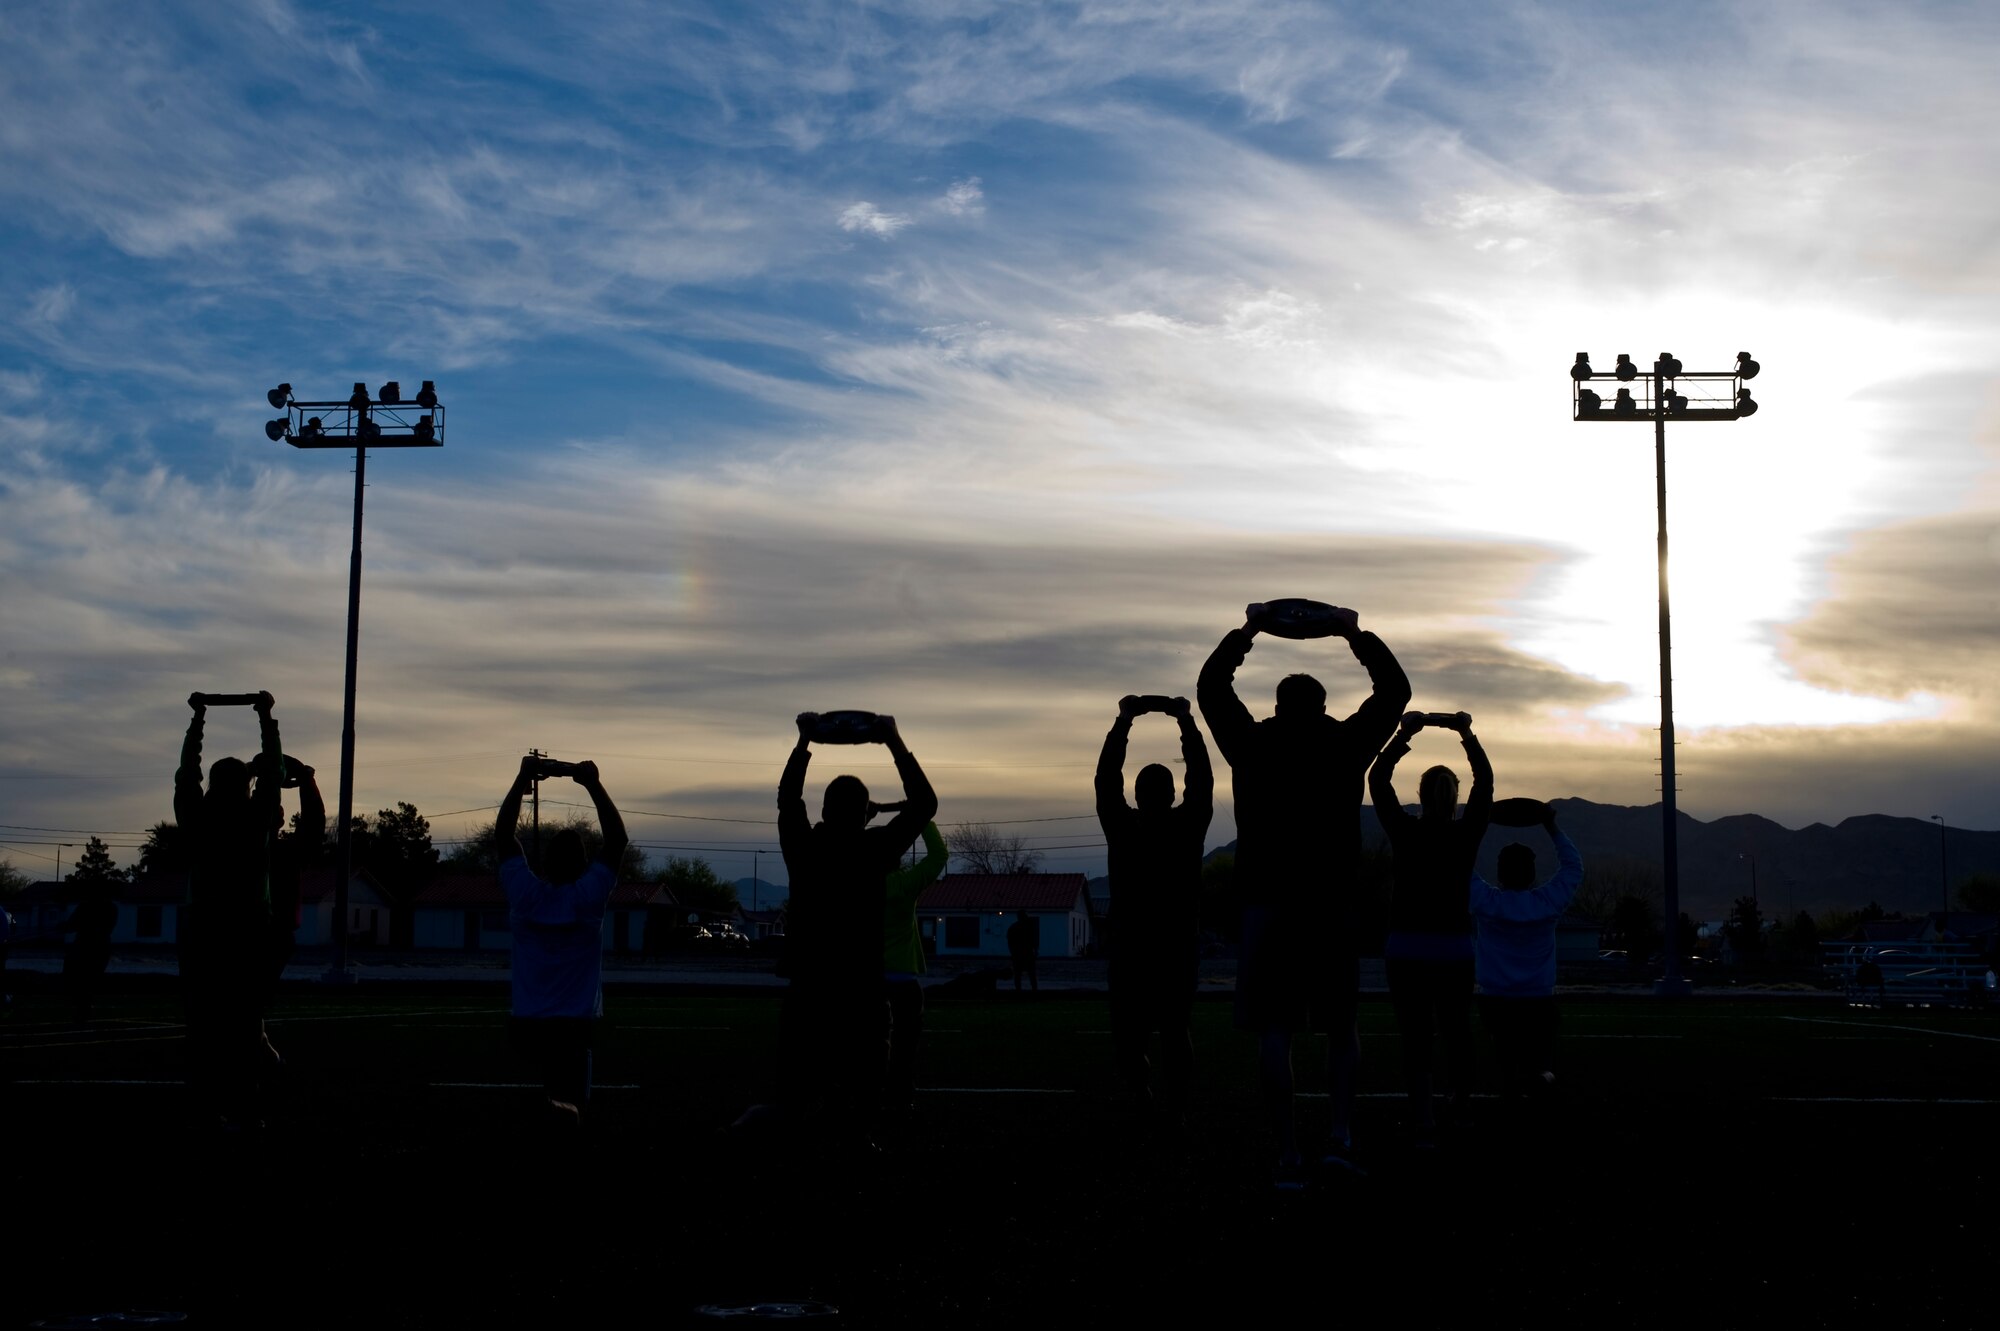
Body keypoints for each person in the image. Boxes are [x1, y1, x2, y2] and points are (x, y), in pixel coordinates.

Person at [1198, 604, 1410, 1188]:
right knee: (1341, 1026)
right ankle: (1340, 1138)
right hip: (1330, 905)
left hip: (1267, 904)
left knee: (1275, 1031)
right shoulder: (1345, 745)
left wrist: (1248, 630)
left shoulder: (1251, 744)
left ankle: (1288, 1153)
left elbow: (1211, 686)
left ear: (1275, 706)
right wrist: (1352, 632)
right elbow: (1395, 689)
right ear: (1322, 706)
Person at [777, 713, 937, 1143]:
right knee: (865, 1097)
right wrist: (894, 742)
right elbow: (924, 805)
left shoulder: (803, 847)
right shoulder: (875, 850)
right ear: (865, 813)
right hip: (863, 991)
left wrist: (804, 741)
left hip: (809, 989)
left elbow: (788, 799)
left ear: (825, 810)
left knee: (798, 1096)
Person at [1370, 711, 1492, 1146]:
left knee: (1416, 1034)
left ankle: (1423, 1117)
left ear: (1419, 795)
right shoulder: (1466, 834)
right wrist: (1466, 734)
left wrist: (1404, 734)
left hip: (1406, 946)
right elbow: (1486, 784)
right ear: (1455, 798)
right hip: (1453, 947)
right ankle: (1459, 1109)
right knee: (1457, 1031)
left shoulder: (1404, 830)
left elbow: (1378, 781)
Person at [1095, 694, 1213, 1116]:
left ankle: (1142, 1088)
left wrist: (1124, 720)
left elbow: (1106, 778)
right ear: (1172, 792)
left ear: (1138, 794)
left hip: (1131, 946)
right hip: (1177, 943)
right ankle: (1174, 1099)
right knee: (1175, 1028)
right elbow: (1202, 777)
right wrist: (1185, 721)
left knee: (1130, 1031)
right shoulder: (1189, 825)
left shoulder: (1123, 827)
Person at [496, 756, 628, 1127]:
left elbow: (504, 836)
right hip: (572, 1025)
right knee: (574, 1109)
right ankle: (554, 1110)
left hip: (526, 1024)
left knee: (553, 1096)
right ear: (583, 863)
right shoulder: (588, 899)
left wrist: (522, 776)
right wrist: (592, 784)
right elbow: (617, 840)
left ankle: (546, 1108)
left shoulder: (525, 896)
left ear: (545, 861)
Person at [175, 690, 286, 1130]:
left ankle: (204, 1106)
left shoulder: (194, 814)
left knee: (203, 1020)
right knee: (244, 1020)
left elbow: (186, 772)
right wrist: (267, 716)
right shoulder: (256, 815)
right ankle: (245, 1104)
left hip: (201, 923)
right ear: (247, 785)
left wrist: (197, 719)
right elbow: (274, 770)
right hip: (247, 924)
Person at [1467, 808, 1583, 1104]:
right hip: (1537, 997)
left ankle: (1513, 1090)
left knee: (1505, 1054)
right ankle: (1539, 1077)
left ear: (1500, 873)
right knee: (1540, 1058)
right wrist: (1552, 828)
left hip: (1495, 997)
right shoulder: (1546, 903)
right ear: (1532, 875)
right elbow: (1573, 868)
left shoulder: (1486, 902)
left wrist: (1479, 827)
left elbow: (1458, 866)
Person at [254, 752, 325, 1069]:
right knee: (246, 1002)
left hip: (268, 934)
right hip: (249, 932)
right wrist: (306, 781)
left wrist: (307, 782)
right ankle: (254, 1047)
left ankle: (254, 1045)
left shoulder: (283, 853)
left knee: (248, 1001)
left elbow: (313, 824)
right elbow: (313, 823)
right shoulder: (243, 847)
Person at [883, 816, 948, 1111]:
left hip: (865, 979)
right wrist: (923, 819)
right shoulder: (904, 885)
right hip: (903, 981)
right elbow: (938, 855)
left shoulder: (853, 884)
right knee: (904, 1045)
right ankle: (900, 1094)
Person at [61, 876, 119, 1023]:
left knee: (85, 979)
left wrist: (73, 927)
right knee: (79, 978)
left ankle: (83, 1010)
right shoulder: (90, 906)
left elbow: (104, 929)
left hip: (94, 948)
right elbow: (71, 925)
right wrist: (66, 926)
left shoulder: (106, 908)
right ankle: (82, 1009)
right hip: (88, 947)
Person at [1006, 911, 1040, 993]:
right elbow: (1033, 940)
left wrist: (1012, 953)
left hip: (1017, 954)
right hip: (1028, 953)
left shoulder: (1013, 927)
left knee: (1017, 974)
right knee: (1031, 973)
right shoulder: (1029, 927)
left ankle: (1018, 990)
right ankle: (1034, 990)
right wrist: (1035, 951)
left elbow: (1009, 942)